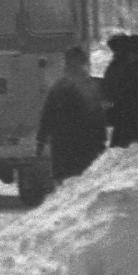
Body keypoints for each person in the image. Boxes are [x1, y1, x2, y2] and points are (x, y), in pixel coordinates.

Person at [36, 46, 107, 182]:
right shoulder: (90, 87)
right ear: (84, 64)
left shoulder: (58, 87)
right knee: (84, 185)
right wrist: (101, 142)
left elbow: (47, 117)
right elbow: (98, 117)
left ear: (67, 64)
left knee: (66, 185)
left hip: (63, 148)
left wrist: (41, 141)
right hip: (86, 147)